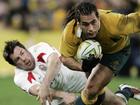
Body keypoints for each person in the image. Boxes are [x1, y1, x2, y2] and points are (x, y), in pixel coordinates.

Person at [3, 40, 140, 105]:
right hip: (57, 98)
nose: (24, 59)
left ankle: (126, 91)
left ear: (25, 49)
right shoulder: (19, 77)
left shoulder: (39, 48)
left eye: (22, 53)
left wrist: (44, 86)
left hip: (79, 79)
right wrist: (61, 94)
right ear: (15, 65)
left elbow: (55, 61)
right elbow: (38, 91)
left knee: (117, 104)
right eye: (18, 60)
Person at [59, 1, 140, 105]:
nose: (91, 29)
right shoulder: (70, 31)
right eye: (85, 24)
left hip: (116, 51)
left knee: (91, 89)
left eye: (94, 22)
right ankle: (125, 93)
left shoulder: (114, 21)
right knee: (96, 91)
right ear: (78, 24)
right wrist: (83, 67)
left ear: (99, 18)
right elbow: (65, 58)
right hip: (91, 56)